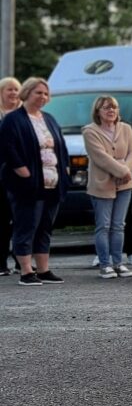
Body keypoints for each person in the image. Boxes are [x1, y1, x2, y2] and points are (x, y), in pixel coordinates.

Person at [0, 77, 70, 286]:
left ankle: (43, 269)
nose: (43, 97)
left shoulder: (48, 118)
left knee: (45, 227)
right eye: (38, 92)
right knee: (27, 226)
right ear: (27, 93)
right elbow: (7, 147)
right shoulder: (14, 119)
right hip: (28, 184)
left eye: (46, 94)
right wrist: (24, 172)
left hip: (52, 183)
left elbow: (61, 146)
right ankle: (26, 271)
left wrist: (64, 170)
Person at [82, 95, 132, 280]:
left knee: (118, 225)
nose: (111, 111)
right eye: (106, 107)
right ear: (98, 111)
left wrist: (125, 170)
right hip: (101, 184)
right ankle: (105, 264)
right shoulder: (89, 131)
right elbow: (100, 157)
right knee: (103, 225)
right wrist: (122, 170)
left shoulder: (126, 129)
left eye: (114, 107)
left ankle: (118, 263)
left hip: (125, 184)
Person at [0, 76, 22, 275]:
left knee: (22, 220)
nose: (14, 93)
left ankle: (20, 261)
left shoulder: (27, 116)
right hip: (2, 175)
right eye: (9, 89)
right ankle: (1, 263)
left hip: (22, 176)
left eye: (16, 89)